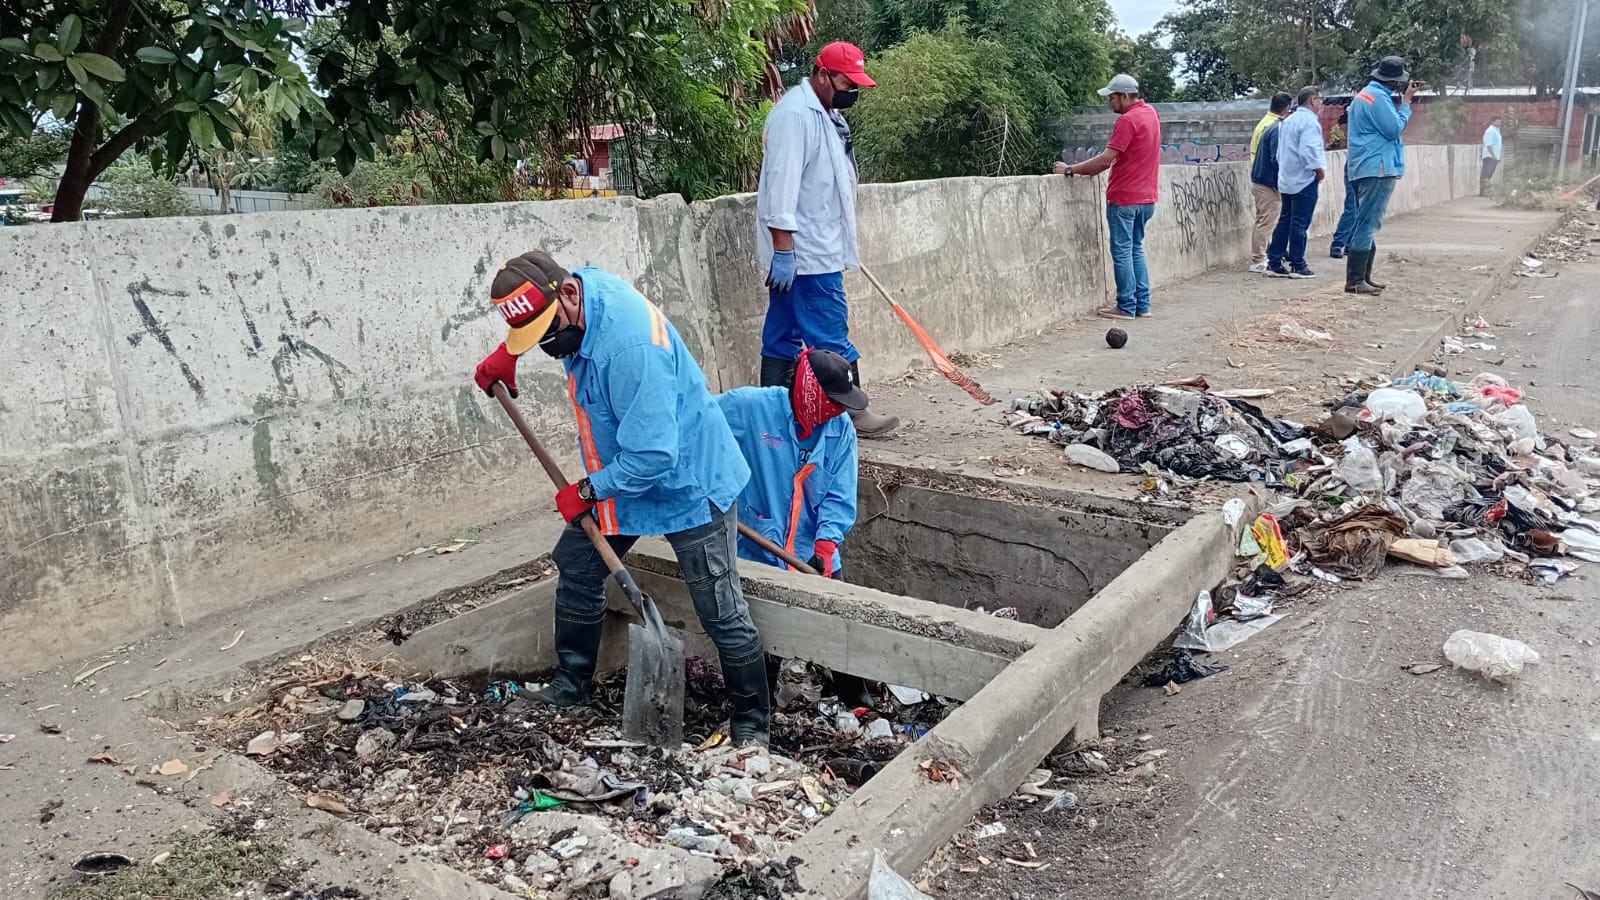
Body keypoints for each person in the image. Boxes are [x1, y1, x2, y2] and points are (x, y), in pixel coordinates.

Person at [472, 250, 772, 746]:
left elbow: (654, 457)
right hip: (624, 471)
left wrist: (586, 490)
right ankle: (571, 685)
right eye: (535, 336)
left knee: (719, 607)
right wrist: (510, 352)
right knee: (577, 560)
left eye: (547, 332)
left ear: (569, 295)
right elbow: (542, 316)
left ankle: (751, 725)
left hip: (685, 482)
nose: (548, 344)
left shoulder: (630, 349)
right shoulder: (580, 291)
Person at [755, 41, 899, 438]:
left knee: (784, 331)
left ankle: (773, 408)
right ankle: (851, 413)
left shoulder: (826, 115)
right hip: (806, 254)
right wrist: (784, 250)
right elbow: (780, 188)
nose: (850, 91)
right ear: (822, 74)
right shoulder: (796, 116)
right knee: (830, 330)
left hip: (815, 246)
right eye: (845, 82)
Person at [717, 348, 861, 580]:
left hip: (814, 556)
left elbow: (839, 495)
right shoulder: (752, 408)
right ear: (811, 392)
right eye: (834, 401)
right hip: (757, 554)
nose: (840, 409)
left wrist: (826, 543)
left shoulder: (841, 428)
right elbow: (699, 418)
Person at [1055, 74, 1163, 320]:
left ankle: (1126, 305)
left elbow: (1105, 160)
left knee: (1122, 250)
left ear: (1125, 96)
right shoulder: (1150, 114)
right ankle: (1142, 305)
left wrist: (1070, 170)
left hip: (1125, 197)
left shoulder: (1128, 120)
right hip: (1147, 198)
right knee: (1135, 248)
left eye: (1112, 97)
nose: (1109, 102)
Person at [1343, 56, 1416, 295]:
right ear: (1395, 82)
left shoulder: (1364, 95)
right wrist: (1406, 103)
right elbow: (1394, 129)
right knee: (1368, 222)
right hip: (1378, 167)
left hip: (1361, 166)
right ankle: (1355, 281)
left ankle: (1363, 277)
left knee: (1365, 220)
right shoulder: (1378, 99)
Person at [1266, 86, 1327, 279]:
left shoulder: (1287, 121)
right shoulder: (1309, 123)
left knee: (1285, 220)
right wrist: (1318, 170)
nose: (1322, 104)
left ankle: (1274, 261)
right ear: (1312, 101)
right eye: (1320, 100)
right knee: (1299, 223)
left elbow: (1278, 153)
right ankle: (1297, 264)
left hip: (1287, 179)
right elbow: (1308, 150)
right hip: (1304, 178)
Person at [1249, 92, 1293, 273]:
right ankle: (1258, 259)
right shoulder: (1275, 127)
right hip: (1267, 181)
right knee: (1266, 221)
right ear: (1286, 108)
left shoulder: (1265, 123)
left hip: (1261, 177)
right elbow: (1276, 158)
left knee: (1265, 220)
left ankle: (1266, 254)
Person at [1481, 115, 1503, 195]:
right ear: (1492, 122)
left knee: (1490, 174)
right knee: (1486, 174)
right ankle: (1482, 192)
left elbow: (1497, 144)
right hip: (1489, 156)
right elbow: (1488, 144)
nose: (1499, 123)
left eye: (1500, 121)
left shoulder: (1497, 130)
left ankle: (1485, 191)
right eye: (1497, 121)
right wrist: (1493, 154)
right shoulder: (1490, 131)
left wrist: (1497, 156)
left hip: (1495, 156)